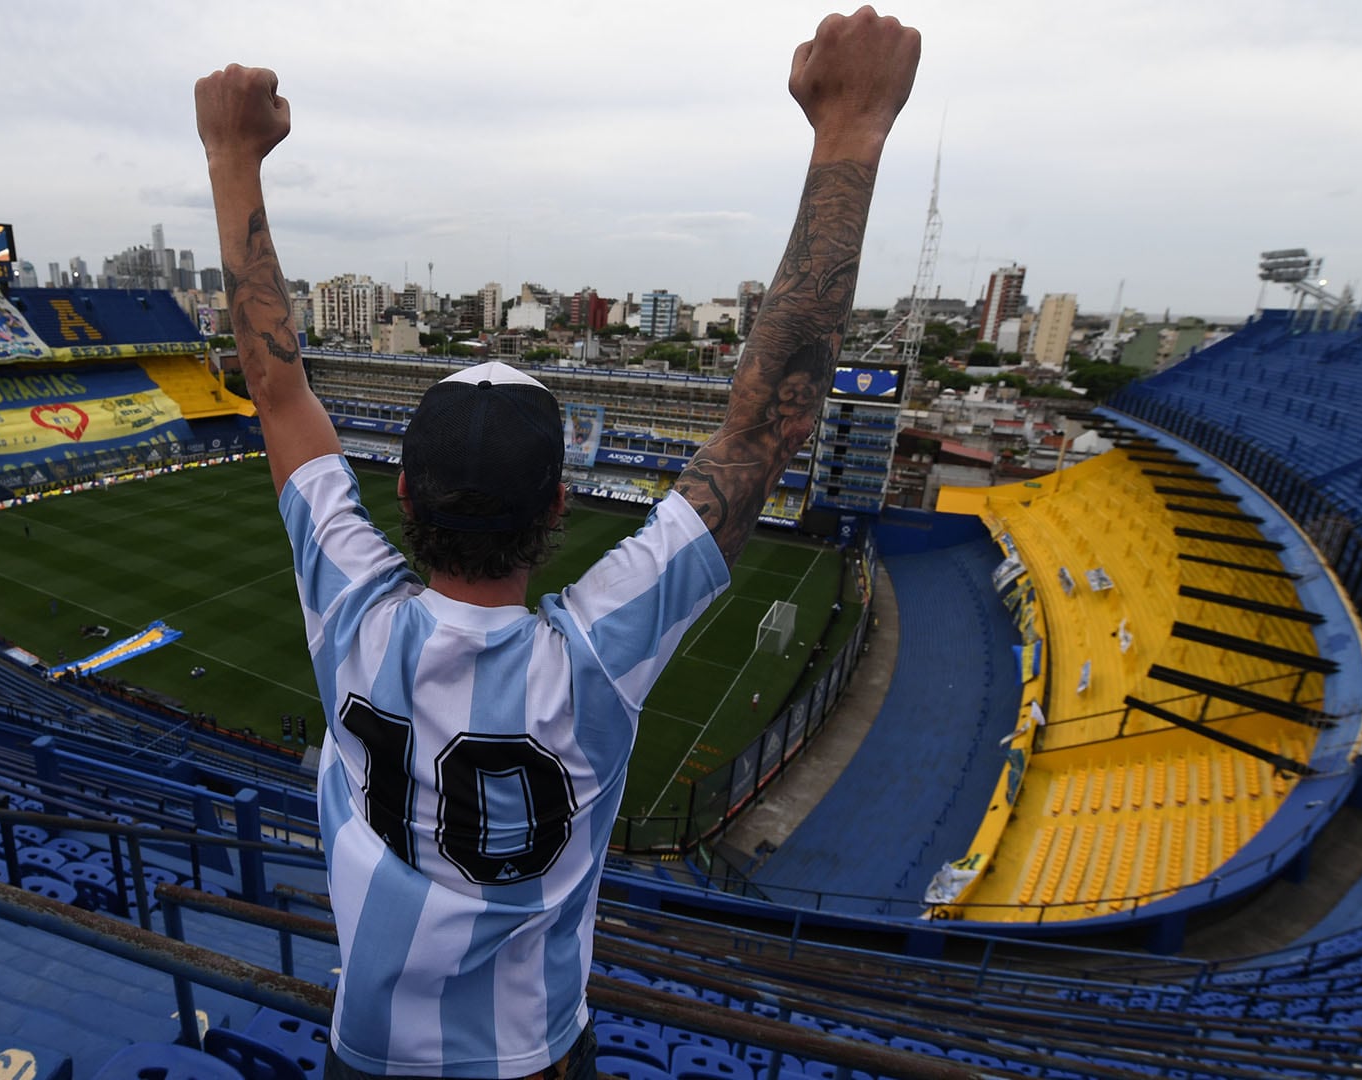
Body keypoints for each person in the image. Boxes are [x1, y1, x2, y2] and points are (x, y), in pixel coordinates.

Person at [197, 9, 918, 1077]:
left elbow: (276, 384)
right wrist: (851, 131)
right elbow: (767, 427)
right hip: (531, 1058)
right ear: (560, 510)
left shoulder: (349, 611)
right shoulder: (594, 657)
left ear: (402, 488)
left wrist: (230, 157)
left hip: (367, 1053)